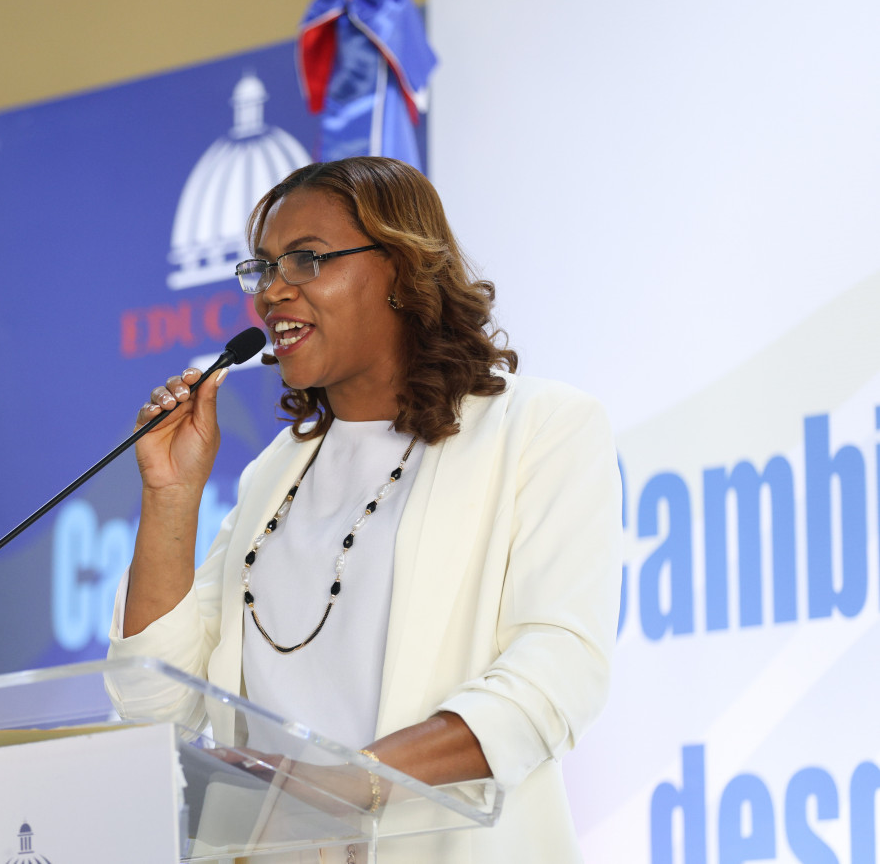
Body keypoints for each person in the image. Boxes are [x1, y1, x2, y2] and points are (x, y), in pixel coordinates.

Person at [107, 156, 621, 862]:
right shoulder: (273, 476)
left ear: (403, 272)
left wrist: (353, 783)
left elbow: (558, 673)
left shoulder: (538, 428)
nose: (272, 292)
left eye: (306, 259)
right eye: (264, 268)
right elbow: (154, 703)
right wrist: (170, 497)